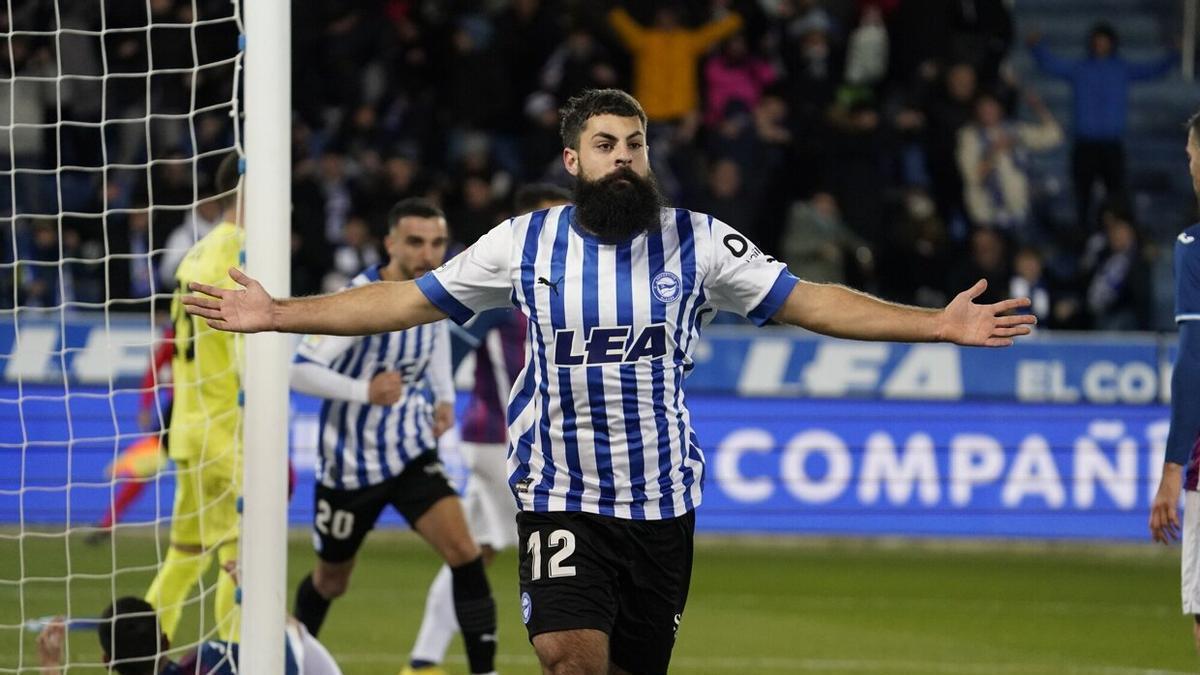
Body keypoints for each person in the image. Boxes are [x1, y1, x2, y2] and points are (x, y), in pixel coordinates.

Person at [182, 88, 1036, 675]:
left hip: (661, 501)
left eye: (634, 144)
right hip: (560, 490)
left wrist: (936, 322)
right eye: (605, 146)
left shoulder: (699, 241)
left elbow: (811, 301)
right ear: (574, 159)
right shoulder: (526, 242)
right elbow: (403, 299)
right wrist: (277, 312)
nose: (623, 157)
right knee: (565, 654)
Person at [288, 198, 499, 675]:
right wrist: (363, 390)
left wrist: (444, 396)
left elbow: (438, 337)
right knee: (330, 581)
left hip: (410, 453)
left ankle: (485, 671)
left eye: (437, 242)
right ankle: (290, 662)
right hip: (350, 466)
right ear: (390, 244)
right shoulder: (357, 298)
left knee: (465, 554)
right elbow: (299, 372)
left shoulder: (438, 289)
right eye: (416, 242)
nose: (429, 253)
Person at [404, 184, 571, 675]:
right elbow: (447, 343)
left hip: (507, 442)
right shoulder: (505, 286)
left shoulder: (562, 282)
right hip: (504, 441)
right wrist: (433, 397)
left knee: (471, 551)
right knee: (564, 548)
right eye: (545, 217)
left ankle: (422, 661)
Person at [143, 152, 243, 643]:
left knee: (185, 553)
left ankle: (136, 652)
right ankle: (237, 657)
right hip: (227, 429)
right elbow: (245, 347)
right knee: (244, 557)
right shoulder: (241, 251)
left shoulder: (195, 252)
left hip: (189, 425)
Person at [1028, 23, 1177, 227]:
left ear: (1112, 43)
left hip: (1111, 145)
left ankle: (1116, 235)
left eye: (1104, 41)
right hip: (1085, 145)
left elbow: (1152, 70)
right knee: (1083, 196)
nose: (1100, 46)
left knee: (1116, 195)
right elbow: (1052, 65)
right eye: (1097, 41)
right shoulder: (1080, 68)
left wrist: (1175, 54)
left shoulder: (1121, 68)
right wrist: (1037, 48)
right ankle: (1085, 236)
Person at [1148, 109, 1200, 652]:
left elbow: (1194, 360)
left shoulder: (1194, 245)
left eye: (1192, 155)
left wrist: (1172, 470)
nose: (1189, 167)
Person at [35, 595, 341, 675]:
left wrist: (50, 667)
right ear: (165, 641)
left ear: (106, 661)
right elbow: (291, 651)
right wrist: (258, 595)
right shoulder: (213, 660)